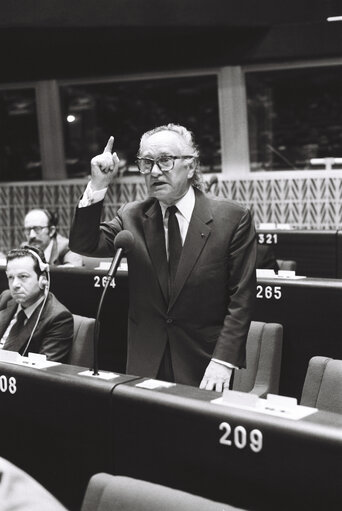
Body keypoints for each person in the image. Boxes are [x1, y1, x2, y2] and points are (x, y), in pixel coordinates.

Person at [70, 124, 256, 392]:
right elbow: (83, 243)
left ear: (190, 167)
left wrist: (223, 360)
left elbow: (241, 298)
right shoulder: (131, 216)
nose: (154, 172)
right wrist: (98, 184)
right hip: (145, 360)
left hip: (205, 362)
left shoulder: (232, 218)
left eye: (165, 161)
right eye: (146, 163)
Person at [0, 246, 73, 362]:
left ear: (42, 280)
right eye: (10, 277)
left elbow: (42, 372)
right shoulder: (6, 297)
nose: (14, 285)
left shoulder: (59, 318)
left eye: (23, 276)